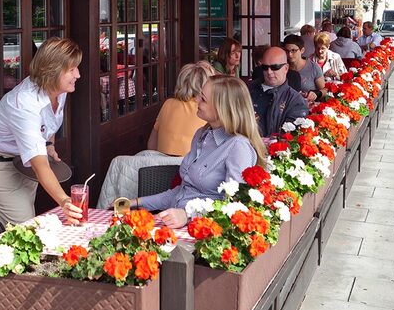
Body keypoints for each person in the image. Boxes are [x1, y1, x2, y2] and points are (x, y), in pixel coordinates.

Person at [131, 75, 267, 226]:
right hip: (177, 220)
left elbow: (235, 205)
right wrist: (136, 202)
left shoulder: (238, 147)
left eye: (203, 99)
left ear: (221, 108)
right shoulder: (202, 134)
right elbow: (183, 192)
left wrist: (188, 215)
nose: (196, 100)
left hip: (205, 230)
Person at [0, 37, 84, 225]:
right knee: (24, 226)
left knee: (18, 221)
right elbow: (40, 166)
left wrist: (48, 144)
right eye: (72, 70)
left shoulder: (58, 89)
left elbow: (49, 122)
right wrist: (64, 201)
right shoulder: (24, 103)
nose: (78, 75)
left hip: (23, 161)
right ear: (52, 71)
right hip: (1, 163)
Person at [96, 62, 214, 208]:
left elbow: (151, 145)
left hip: (154, 173)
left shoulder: (169, 104)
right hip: (186, 178)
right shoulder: (208, 112)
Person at [247, 46, 309, 138]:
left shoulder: (296, 101)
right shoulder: (246, 89)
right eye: (265, 67)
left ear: (286, 68)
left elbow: (289, 137)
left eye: (275, 67)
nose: (269, 72)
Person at [283, 34, 325, 102]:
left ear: (302, 50)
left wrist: (316, 94)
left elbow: (324, 90)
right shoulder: (281, 67)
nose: (290, 54)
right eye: (287, 51)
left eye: (293, 50)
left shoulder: (313, 67)